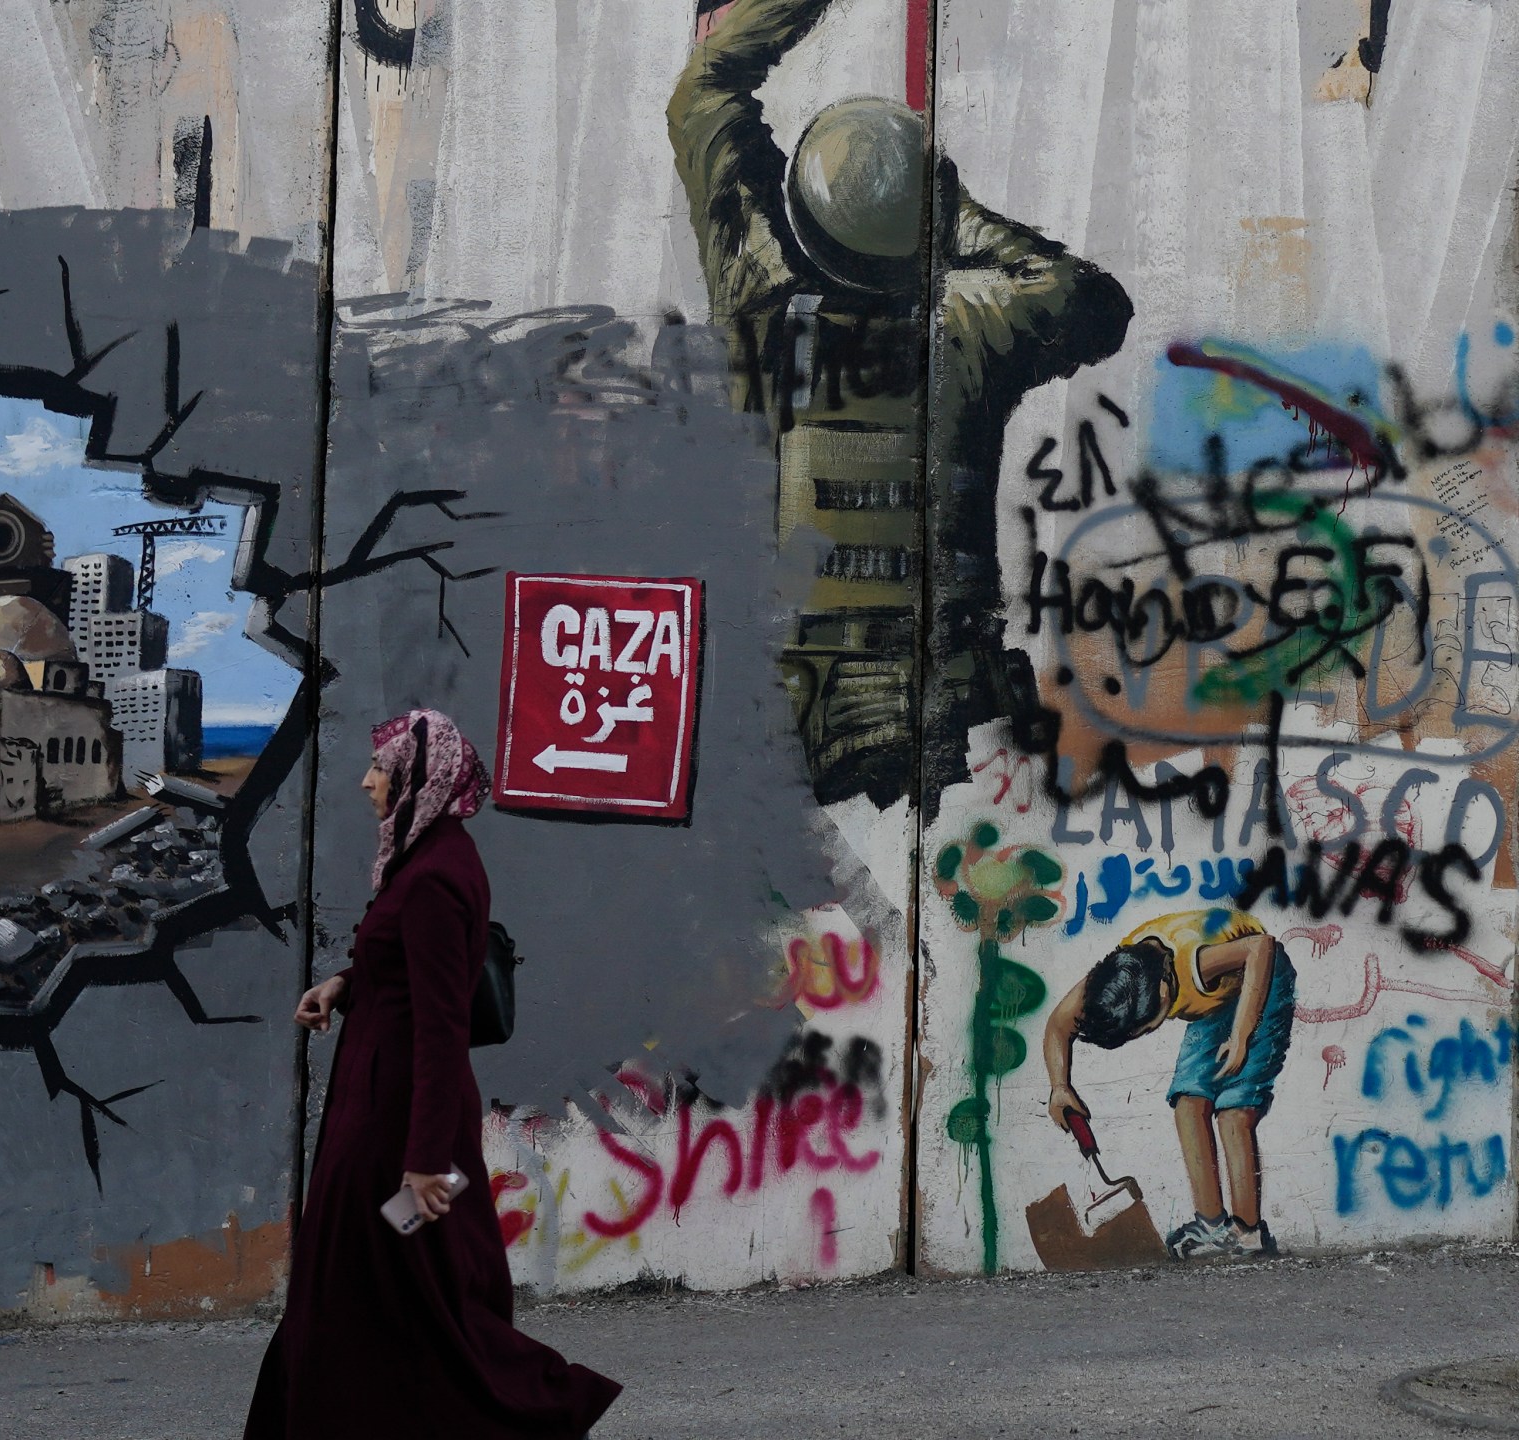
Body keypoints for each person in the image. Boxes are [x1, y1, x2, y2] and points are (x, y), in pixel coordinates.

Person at [669, 0, 1132, 810]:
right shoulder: (976, 321)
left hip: (803, 716)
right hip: (956, 709)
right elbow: (1093, 301)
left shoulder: (759, 308)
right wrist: (941, 204)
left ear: (801, 219)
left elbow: (705, 93)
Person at [246, 710, 619, 1439]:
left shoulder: (434, 879)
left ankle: (535, 1406)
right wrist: (346, 984)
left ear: (423, 778)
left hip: (396, 1126)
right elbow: (408, 970)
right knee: (396, 1288)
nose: (367, 781)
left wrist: (421, 1164)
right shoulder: (429, 856)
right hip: (386, 1106)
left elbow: (443, 1027)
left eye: (381, 768)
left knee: (396, 1286)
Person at [1042, 908, 1297, 1261]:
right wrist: (1060, 1086)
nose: (1148, 1032)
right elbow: (1059, 1024)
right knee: (1189, 1104)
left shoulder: (1196, 963)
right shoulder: (1112, 979)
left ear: (1163, 994)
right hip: (1214, 1000)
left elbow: (1261, 948)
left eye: (1148, 1027)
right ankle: (1211, 1225)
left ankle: (1247, 1232)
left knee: (1233, 1113)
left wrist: (1241, 1035)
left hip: (1261, 982)